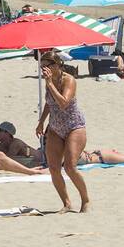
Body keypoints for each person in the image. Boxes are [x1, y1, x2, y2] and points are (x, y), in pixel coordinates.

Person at [36, 51, 90, 213]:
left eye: (47, 66)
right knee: (53, 167)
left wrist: (50, 84)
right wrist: (41, 122)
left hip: (74, 126)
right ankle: (66, 203)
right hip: (55, 127)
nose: (45, 70)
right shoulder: (48, 81)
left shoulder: (69, 80)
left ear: (57, 65)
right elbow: (49, 103)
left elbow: (63, 103)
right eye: (42, 67)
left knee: (70, 166)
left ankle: (85, 199)